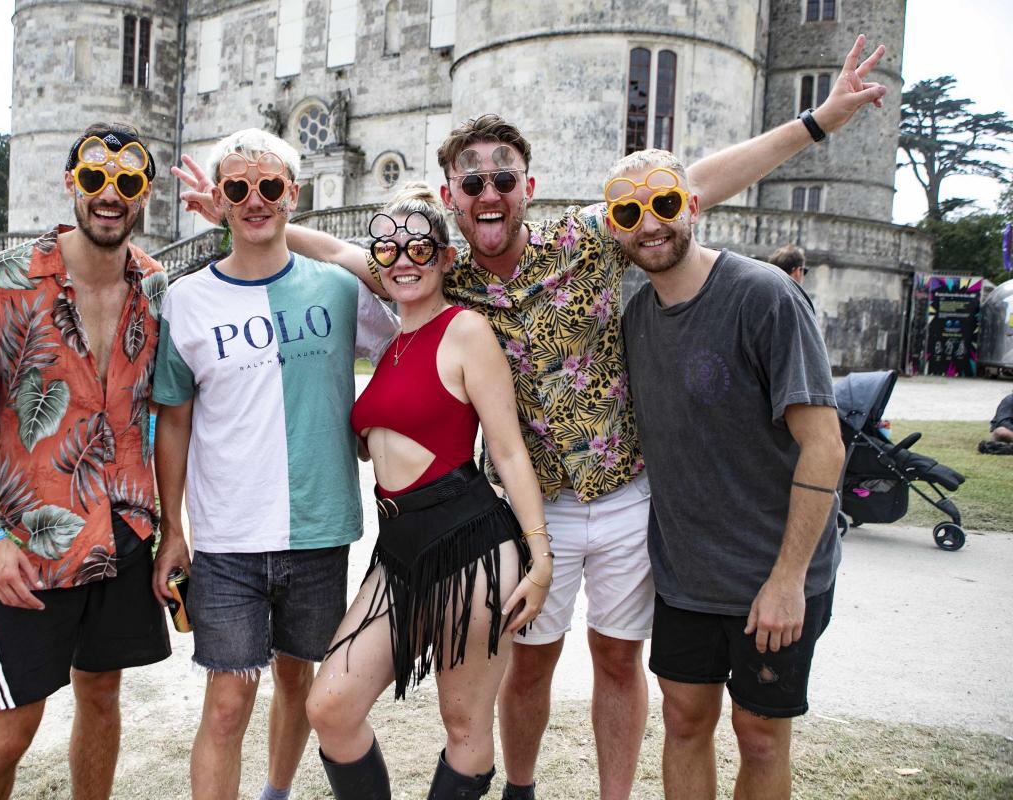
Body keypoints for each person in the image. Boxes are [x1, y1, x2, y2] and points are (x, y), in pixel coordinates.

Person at [248, 34, 887, 799]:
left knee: (618, 659)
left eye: (503, 179)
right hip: (529, 507)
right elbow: (351, 254)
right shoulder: (445, 284)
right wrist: (254, 226)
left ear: (527, 186)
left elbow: (697, 183)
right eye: (472, 181)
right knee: (530, 663)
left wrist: (816, 123)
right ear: (451, 197)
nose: (489, 192)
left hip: (622, 492)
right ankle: (519, 787)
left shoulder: (585, 242)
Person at [152, 128, 400, 800]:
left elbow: (411, 321)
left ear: (295, 194)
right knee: (228, 703)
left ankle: (277, 792)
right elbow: (172, 420)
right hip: (228, 536)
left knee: (299, 681)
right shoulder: (188, 299)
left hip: (319, 528)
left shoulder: (339, 290)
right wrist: (173, 530)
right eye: (237, 188)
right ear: (221, 201)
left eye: (269, 187)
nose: (254, 200)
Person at [0, 122, 171, 800]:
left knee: (100, 698)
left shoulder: (155, 289)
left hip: (122, 535)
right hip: (27, 549)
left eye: (126, 183)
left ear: (143, 195)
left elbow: (171, 415)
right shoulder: (5, 281)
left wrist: (168, 529)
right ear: (72, 183)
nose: (109, 195)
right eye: (94, 178)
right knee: (11, 730)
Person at [611, 148, 845, 800]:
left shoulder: (765, 296)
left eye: (662, 203)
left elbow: (824, 447)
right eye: (629, 211)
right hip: (688, 577)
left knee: (760, 733)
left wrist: (787, 581)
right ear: (614, 226)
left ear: (690, 204)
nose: (648, 223)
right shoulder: (637, 319)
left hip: (774, 574)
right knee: (684, 720)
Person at [305, 185, 552, 799]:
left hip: (469, 544)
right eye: (387, 250)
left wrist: (541, 556)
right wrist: (250, 218)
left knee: (464, 724)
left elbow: (509, 449)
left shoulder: (464, 330)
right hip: (398, 549)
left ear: (445, 257)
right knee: (331, 706)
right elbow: (332, 248)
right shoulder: (390, 343)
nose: (402, 259)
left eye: (419, 247)